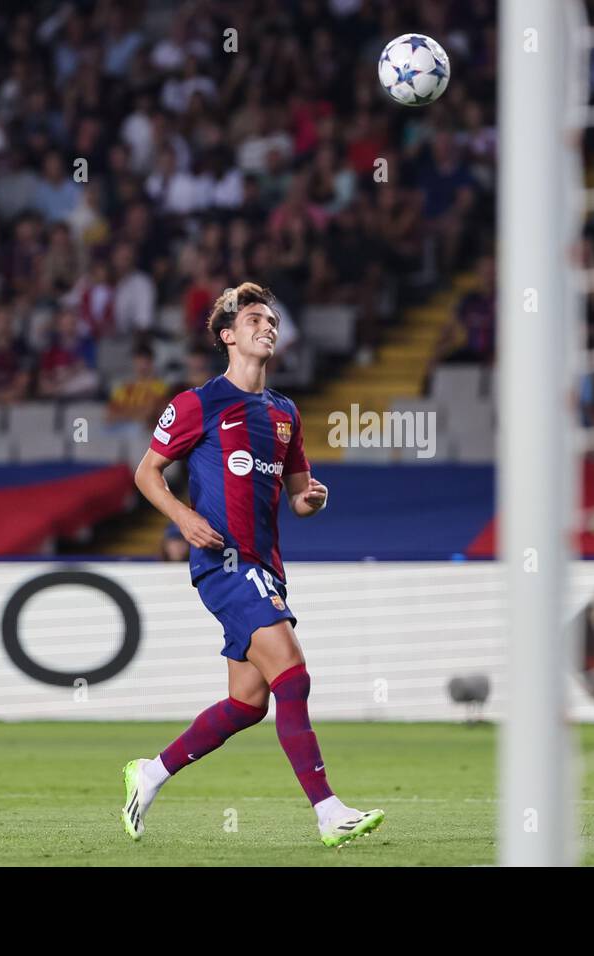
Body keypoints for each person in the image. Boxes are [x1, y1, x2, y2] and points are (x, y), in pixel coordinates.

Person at [121, 282, 383, 848]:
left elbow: (298, 498)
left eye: (273, 321)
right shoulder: (196, 403)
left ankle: (150, 773)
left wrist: (315, 500)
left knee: (247, 703)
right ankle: (328, 811)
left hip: (266, 565)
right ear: (228, 335)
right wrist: (183, 516)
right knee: (293, 671)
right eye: (257, 319)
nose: (269, 327)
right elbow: (146, 472)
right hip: (223, 562)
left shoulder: (285, 412)